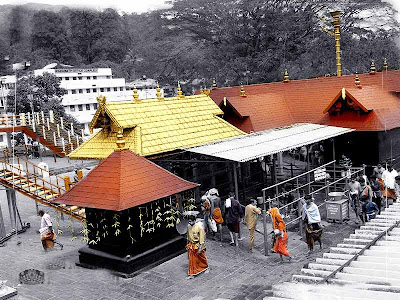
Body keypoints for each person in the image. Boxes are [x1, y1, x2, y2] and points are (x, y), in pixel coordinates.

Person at [185, 211, 208, 279]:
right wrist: (187, 245)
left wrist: (200, 248)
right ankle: (192, 273)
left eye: (191, 221)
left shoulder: (199, 228)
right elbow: (188, 237)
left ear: (194, 221)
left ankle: (205, 267)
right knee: (192, 260)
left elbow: (202, 240)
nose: (189, 223)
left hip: (198, 245)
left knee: (202, 258)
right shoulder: (189, 227)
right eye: (189, 221)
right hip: (191, 245)